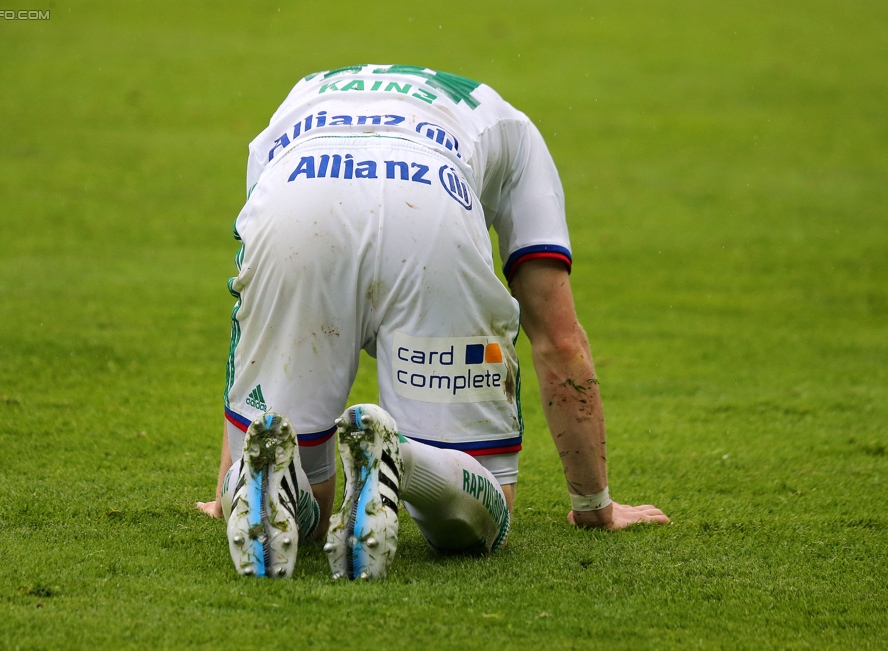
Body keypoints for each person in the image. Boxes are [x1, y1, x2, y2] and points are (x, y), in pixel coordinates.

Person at [197, 64, 669, 580]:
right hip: (430, 202)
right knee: (483, 516)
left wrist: (227, 478)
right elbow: (558, 337)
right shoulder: (511, 126)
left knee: (305, 483)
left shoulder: (299, 96)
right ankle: (400, 459)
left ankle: (256, 478)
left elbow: (251, 320)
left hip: (298, 192)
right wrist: (594, 502)